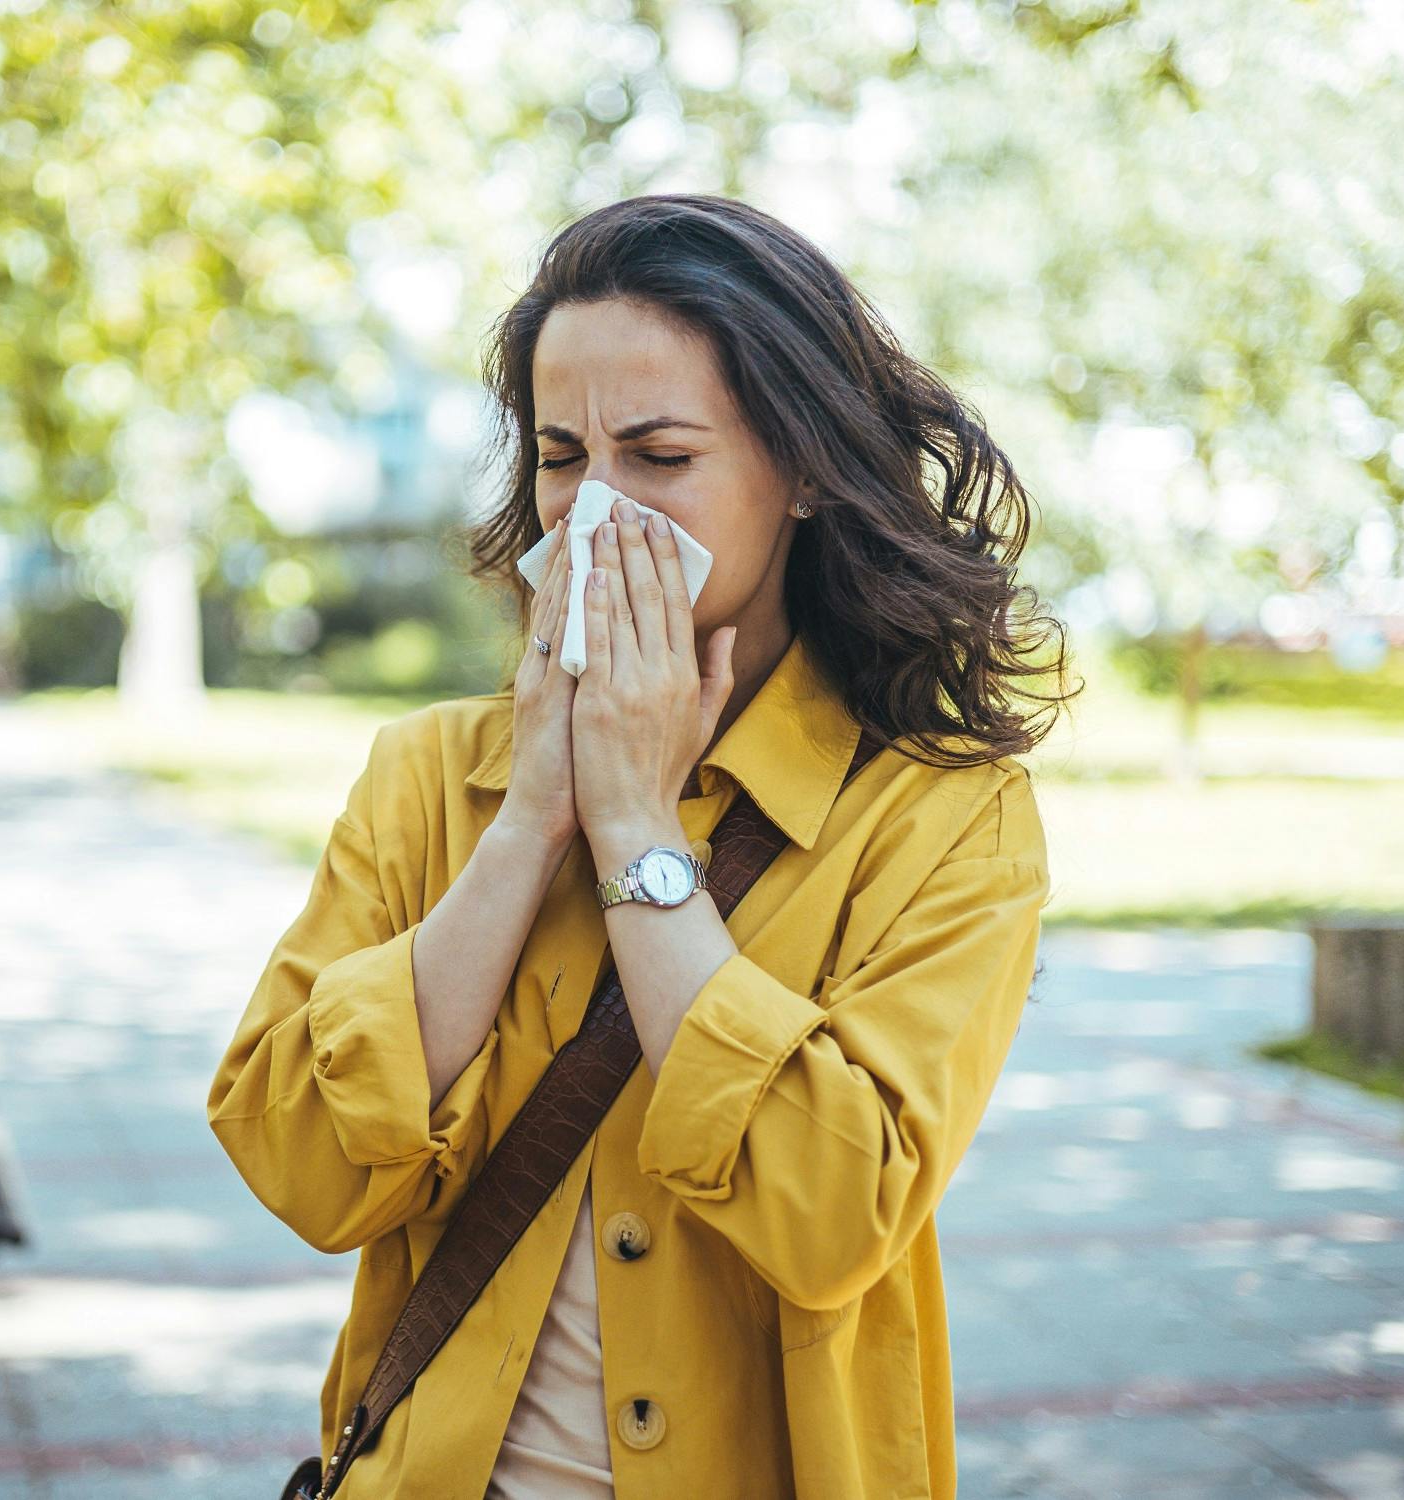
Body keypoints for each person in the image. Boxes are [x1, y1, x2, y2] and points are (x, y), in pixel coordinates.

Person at [207, 193, 1076, 1500]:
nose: (593, 514)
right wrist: (532, 820)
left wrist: (631, 825)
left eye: (658, 455)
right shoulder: (430, 777)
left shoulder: (938, 817)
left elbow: (835, 1215)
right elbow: (299, 1161)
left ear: (795, 474)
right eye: (562, 457)